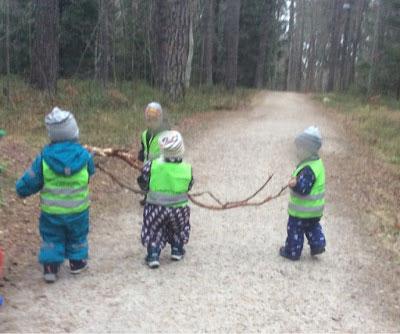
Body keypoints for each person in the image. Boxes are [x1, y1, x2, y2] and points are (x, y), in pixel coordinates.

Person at [16, 107, 95, 283]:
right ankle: (77, 262)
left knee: (52, 236)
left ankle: (50, 267)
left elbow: (31, 179)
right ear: (74, 131)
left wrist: (21, 189)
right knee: (78, 235)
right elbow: (90, 173)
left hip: (52, 212)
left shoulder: (44, 158)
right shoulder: (84, 155)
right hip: (78, 210)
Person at [137, 130, 193, 268]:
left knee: (153, 229)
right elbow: (190, 184)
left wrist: (145, 188)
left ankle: (153, 254)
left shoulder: (152, 165)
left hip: (156, 208)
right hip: (179, 209)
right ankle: (177, 249)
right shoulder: (187, 168)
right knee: (179, 228)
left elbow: (143, 180)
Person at [279, 126, 326, 261]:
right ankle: (318, 244)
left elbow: (304, 189)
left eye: (301, 148)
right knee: (312, 227)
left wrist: (295, 184)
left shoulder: (308, 169)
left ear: (310, 149)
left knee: (295, 229)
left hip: (301, 211)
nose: (297, 151)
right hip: (315, 210)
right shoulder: (317, 164)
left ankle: (292, 251)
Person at [137, 102, 169, 206]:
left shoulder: (165, 134)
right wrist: (141, 155)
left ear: (160, 119)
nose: (152, 123)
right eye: (149, 120)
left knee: (159, 183)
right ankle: (147, 196)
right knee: (145, 181)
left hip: (161, 166)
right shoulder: (145, 134)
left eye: (154, 120)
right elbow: (144, 147)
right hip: (148, 165)